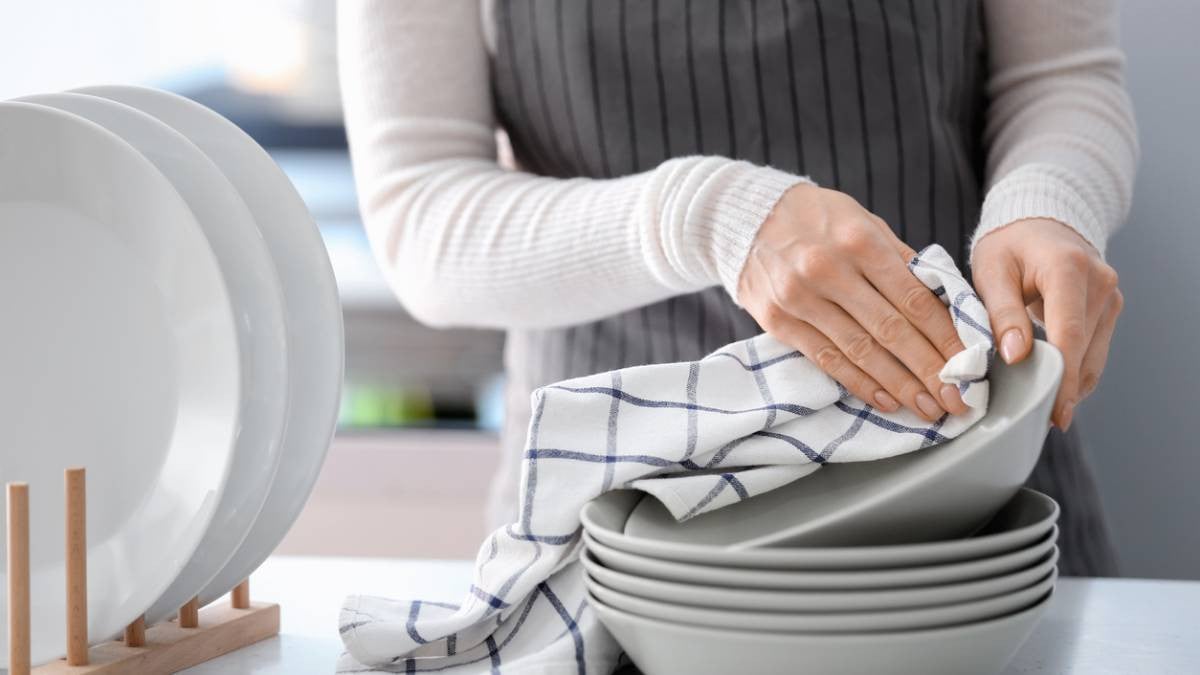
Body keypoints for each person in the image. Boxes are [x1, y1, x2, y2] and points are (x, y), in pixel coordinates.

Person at [338, 0, 1137, 576]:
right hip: (619, 525)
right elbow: (422, 212)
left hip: (973, 493)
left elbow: (1060, 77)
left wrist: (1048, 208)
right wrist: (707, 217)